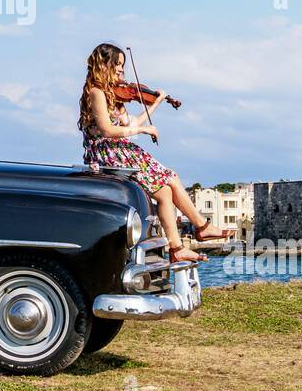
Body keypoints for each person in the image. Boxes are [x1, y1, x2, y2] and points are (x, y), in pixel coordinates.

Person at [78, 42, 219, 262]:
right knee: (171, 178)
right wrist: (142, 130)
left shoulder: (114, 96)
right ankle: (201, 227)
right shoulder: (96, 92)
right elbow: (107, 129)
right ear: (103, 64)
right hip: (108, 152)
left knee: (165, 193)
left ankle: (176, 248)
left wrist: (155, 104)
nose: (120, 70)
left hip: (120, 149)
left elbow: (131, 122)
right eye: (117, 65)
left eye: (122, 66)